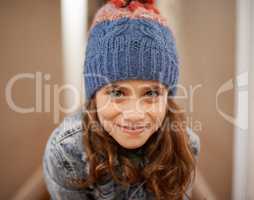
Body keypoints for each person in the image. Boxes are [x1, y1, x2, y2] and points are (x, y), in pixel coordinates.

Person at [42, 0, 201, 199]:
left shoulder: (186, 145)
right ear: (95, 96)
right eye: (117, 93)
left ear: (167, 97)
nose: (134, 114)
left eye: (151, 93)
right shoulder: (66, 151)